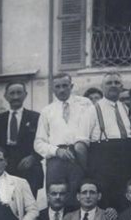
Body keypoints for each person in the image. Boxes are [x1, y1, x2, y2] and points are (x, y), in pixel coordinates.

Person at [82, 73, 131, 211]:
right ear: (102, 87)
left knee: (126, 206)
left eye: (116, 82)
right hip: (103, 165)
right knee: (106, 208)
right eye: (109, 83)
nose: (113, 85)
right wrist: (88, 170)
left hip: (125, 164)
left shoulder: (125, 109)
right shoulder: (91, 111)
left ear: (121, 87)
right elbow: (81, 144)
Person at [0, 82, 44, 194]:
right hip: (5, 168)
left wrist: (34, 157)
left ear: (25, 95)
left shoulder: (36, 118)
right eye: (12, 93)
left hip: (28, 168)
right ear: (6, 96)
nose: (15, 97)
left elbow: (45, 142)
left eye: (19, 93)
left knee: (28, 204)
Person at [34, 73, 91, 206]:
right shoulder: (47, 111)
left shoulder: (85, 104)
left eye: (65, 86)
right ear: (53, 89)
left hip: (79, 156)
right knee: (56, 200)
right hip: (56, 160)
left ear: (71, 86)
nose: (61, 90)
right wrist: (56, 151)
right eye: (57, 87)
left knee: (79, 197)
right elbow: (38, 142)